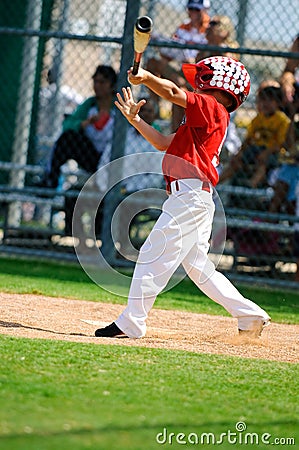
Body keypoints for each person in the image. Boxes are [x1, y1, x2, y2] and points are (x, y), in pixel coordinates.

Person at [94, 55, 271, 339]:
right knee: (199, 267)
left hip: (189, 195)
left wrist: (146, 77)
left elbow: (175, 93)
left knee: (153, 252)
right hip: (193, 196)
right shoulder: (200, 122)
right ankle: (249, 316)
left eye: (203, 79)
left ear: (219, 83)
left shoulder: (213, 107)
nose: (197, 85)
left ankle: (131, 322)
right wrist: (135, 119)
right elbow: (163, 143)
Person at [38, 65, 117, 189]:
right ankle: (50, 179)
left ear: (112, 85)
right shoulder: (90, 105)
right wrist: (85, 123)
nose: (97, 86)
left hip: (112, 158)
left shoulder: (118, 107)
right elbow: (67, 125)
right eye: (95, 82)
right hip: (92, 156)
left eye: (102, 82)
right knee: (67, 138)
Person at [146, 0, 211, 131]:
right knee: (153, 63)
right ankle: (155, 105)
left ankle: (175, 131)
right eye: (191, 9)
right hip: (181, 68)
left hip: (198, 74)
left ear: (205, 11)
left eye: (197, 10)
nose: (193, 13)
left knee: (181, 92)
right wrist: (163, 47)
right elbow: (168, 56)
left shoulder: (209, 30)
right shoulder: (183, 27)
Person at [219, 85, 291, 188]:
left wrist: (266, 153)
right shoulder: (258, 118)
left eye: (270, 100)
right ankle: (216, 183)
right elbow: (249, 139)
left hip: (272, 151)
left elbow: (281, 143)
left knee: (264, 162)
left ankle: (251, 184)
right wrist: (239, 153)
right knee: (236, 161)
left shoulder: (282, 120)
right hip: (256, 149)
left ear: (278, 103)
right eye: (262, 100)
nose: (265, 104)